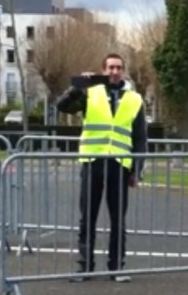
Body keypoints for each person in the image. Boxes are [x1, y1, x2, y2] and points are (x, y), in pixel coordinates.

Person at [55, 52, 148, 282]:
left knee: (118, 219)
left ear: (123, 71)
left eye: (118, 67)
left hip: (119, 164)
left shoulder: (135, 99)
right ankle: (85, 267)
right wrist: (78, 87)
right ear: (103, 70)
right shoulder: (90, 92)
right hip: (93, 160)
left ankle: (116, 267)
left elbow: (140, 138)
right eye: (110, 68)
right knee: (88, 216)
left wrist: (137, 169)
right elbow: (63, 107)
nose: (114, 72)